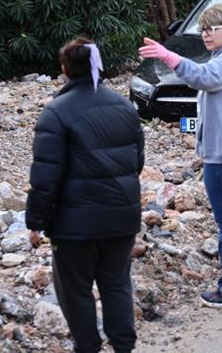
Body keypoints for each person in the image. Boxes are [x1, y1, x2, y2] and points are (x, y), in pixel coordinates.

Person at [138, 4, 222, 310]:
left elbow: (203, 77)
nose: (206, 34)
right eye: (203, 29)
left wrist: (168, 56)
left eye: (213, 28)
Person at [26, 38, 143, 353]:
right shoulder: (124, 106)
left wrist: (35, 221)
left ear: (65, 69)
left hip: (74, 225)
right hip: (122, 216)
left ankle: (88, 347)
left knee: (75, 290)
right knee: (117, 284)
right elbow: (138, 163)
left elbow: (45, 177)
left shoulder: (55, 113)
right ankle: (123, 347)